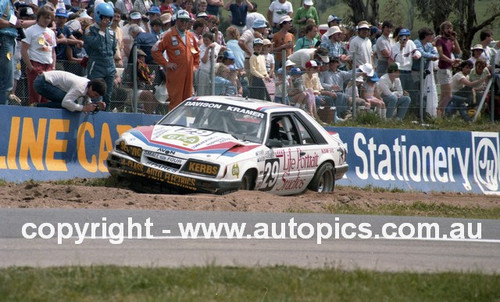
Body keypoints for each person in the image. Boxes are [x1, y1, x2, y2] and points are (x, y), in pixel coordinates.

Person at [152, 9, 200, 110]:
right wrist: (166, 64)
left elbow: (195, 52)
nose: (184, 23)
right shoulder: (168, 35)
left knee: (188, 101)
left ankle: (185, 123)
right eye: (181, 21)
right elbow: (155, 50)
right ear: (176, 21)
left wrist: (195, 66)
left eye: (186, 21)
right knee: (176, 100)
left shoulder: (190, 36)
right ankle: (172, 124)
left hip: (189, 75)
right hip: (176, 74)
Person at [84, 2, 118, 109]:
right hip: (96, 65)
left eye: (109, 18)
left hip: (109, 66)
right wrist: (102, 31)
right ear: (98, 16)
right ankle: (94, 114)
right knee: (95, 94)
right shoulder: (90, 30)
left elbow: (113, 50)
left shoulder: (112, 32)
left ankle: (106, 115)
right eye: (104, 17)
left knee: (108, 95)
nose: (107, 20)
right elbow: (96, 45)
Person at [21, 6, 57, 105]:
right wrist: (30, 66)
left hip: (48, 66)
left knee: (46, 96)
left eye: (49, 18)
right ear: (39, 17)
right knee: (35, 96)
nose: (47, 20)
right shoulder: (30, 30)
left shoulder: (51, 32)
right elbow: (24, 49)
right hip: (36, 63)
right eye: (45, 17)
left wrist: (53, 66)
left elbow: (53, 51)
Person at [33, 70, 106, 112]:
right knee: (71, 103)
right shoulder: (80, 87)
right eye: (95, 94)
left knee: (72, 104)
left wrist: (95, 105)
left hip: (43, 80)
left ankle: (37, 107)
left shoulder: (88, 85)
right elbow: (66, 103)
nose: (94, 97)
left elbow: (86, 101)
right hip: (42, 82)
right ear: (91, 87)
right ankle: (37, 107)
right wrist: (83, 108)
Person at [436, 20, 461, 116]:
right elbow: (441, 54)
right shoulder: (440, 40)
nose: (449, 30)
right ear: (443, 30)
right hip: (443, 69)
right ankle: (438, 112)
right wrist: (451, 61)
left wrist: (454, 39)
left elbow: (458, 51)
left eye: (450, 28)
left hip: (449, 69)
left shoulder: (450, 41)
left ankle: (439, 114)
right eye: (447, 28)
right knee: (448, 95)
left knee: (443, 95)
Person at [0, 0, 22, 105]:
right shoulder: (4, 2)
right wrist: (12, 24)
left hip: (10, 41)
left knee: (6, 79)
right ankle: (3, 110)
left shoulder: (12, 6)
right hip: (4, 39)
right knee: (7, 81)